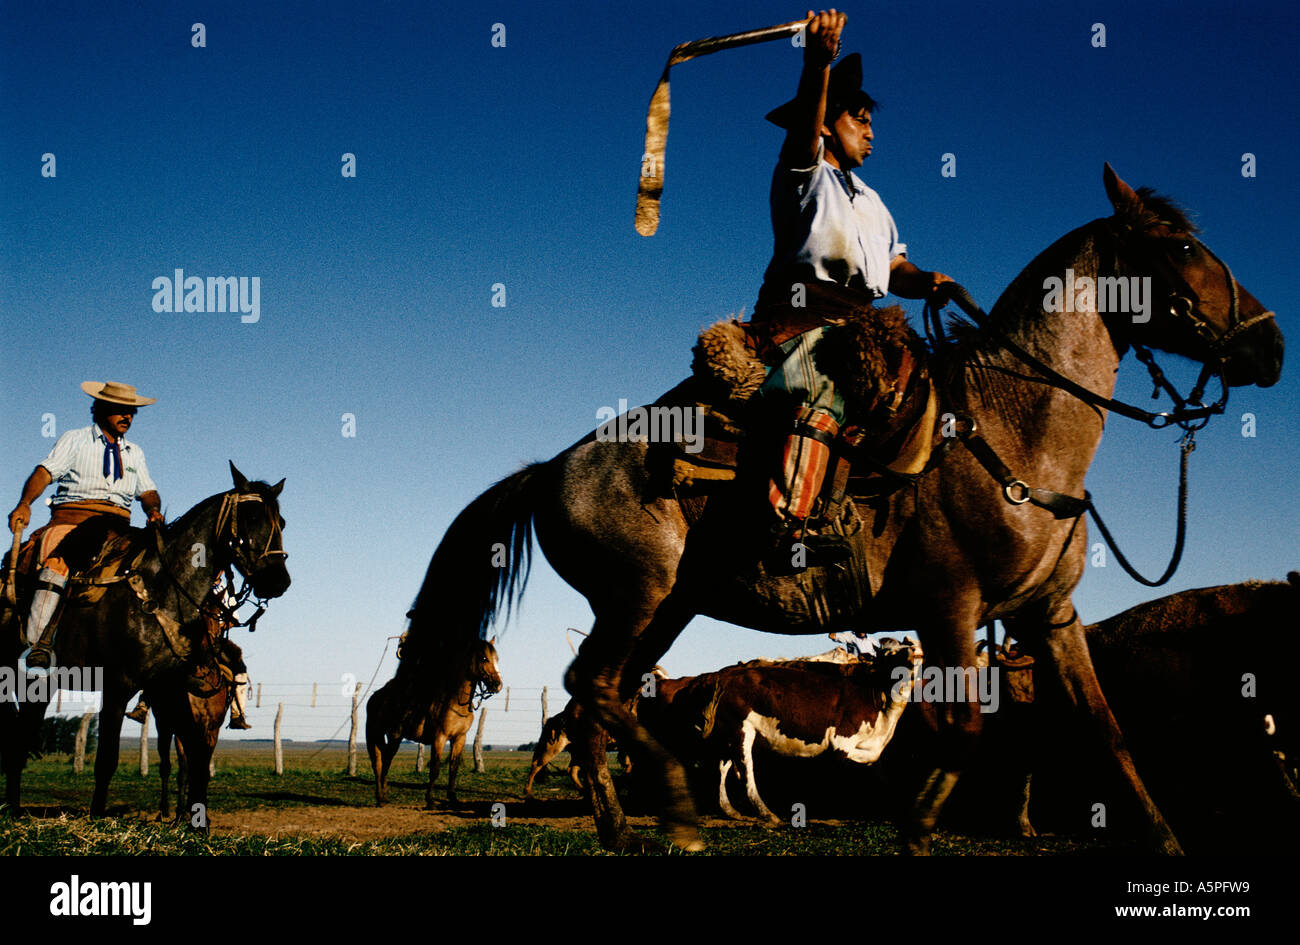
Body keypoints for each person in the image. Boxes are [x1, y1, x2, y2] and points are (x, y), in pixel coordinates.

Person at [751, 10, 954, 565]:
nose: (871, 131)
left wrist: (926, 280)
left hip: (866, 325)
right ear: (823, 124)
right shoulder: (803, 173)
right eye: (858, 118)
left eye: (870, 121)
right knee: (827, 387)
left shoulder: (875, 202)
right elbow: (803, 130)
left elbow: (895, 269)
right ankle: (786, 525)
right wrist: (819, 64)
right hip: (800, 323)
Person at [7, 381, 164, 675]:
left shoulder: (135, 452)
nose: (127, 417)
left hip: (120, 525)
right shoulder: (75, 439)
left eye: (131, 412)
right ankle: (38, 644)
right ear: (101, 410)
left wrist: (152, 509)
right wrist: (25, 502)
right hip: (74, 518)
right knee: (57, 563)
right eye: (120, 410)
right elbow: (45, 472)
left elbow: (147, 490)